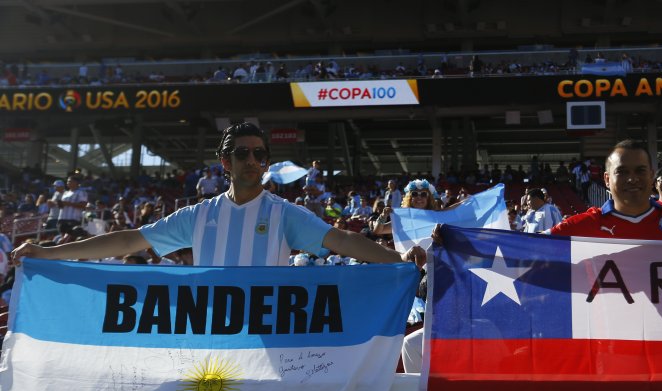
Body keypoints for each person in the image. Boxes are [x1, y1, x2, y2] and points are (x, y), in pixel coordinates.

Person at [13, 122, 425, 268]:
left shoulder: (286, 214)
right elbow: (128, 240)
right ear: (224, 162)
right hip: (211, 343)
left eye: (259, 154)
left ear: (266, 162)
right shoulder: (198, 215)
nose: (252, 160)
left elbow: (345, 240)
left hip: (271, 342)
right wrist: (47, 253)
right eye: (242, 153)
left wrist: (400, 259)